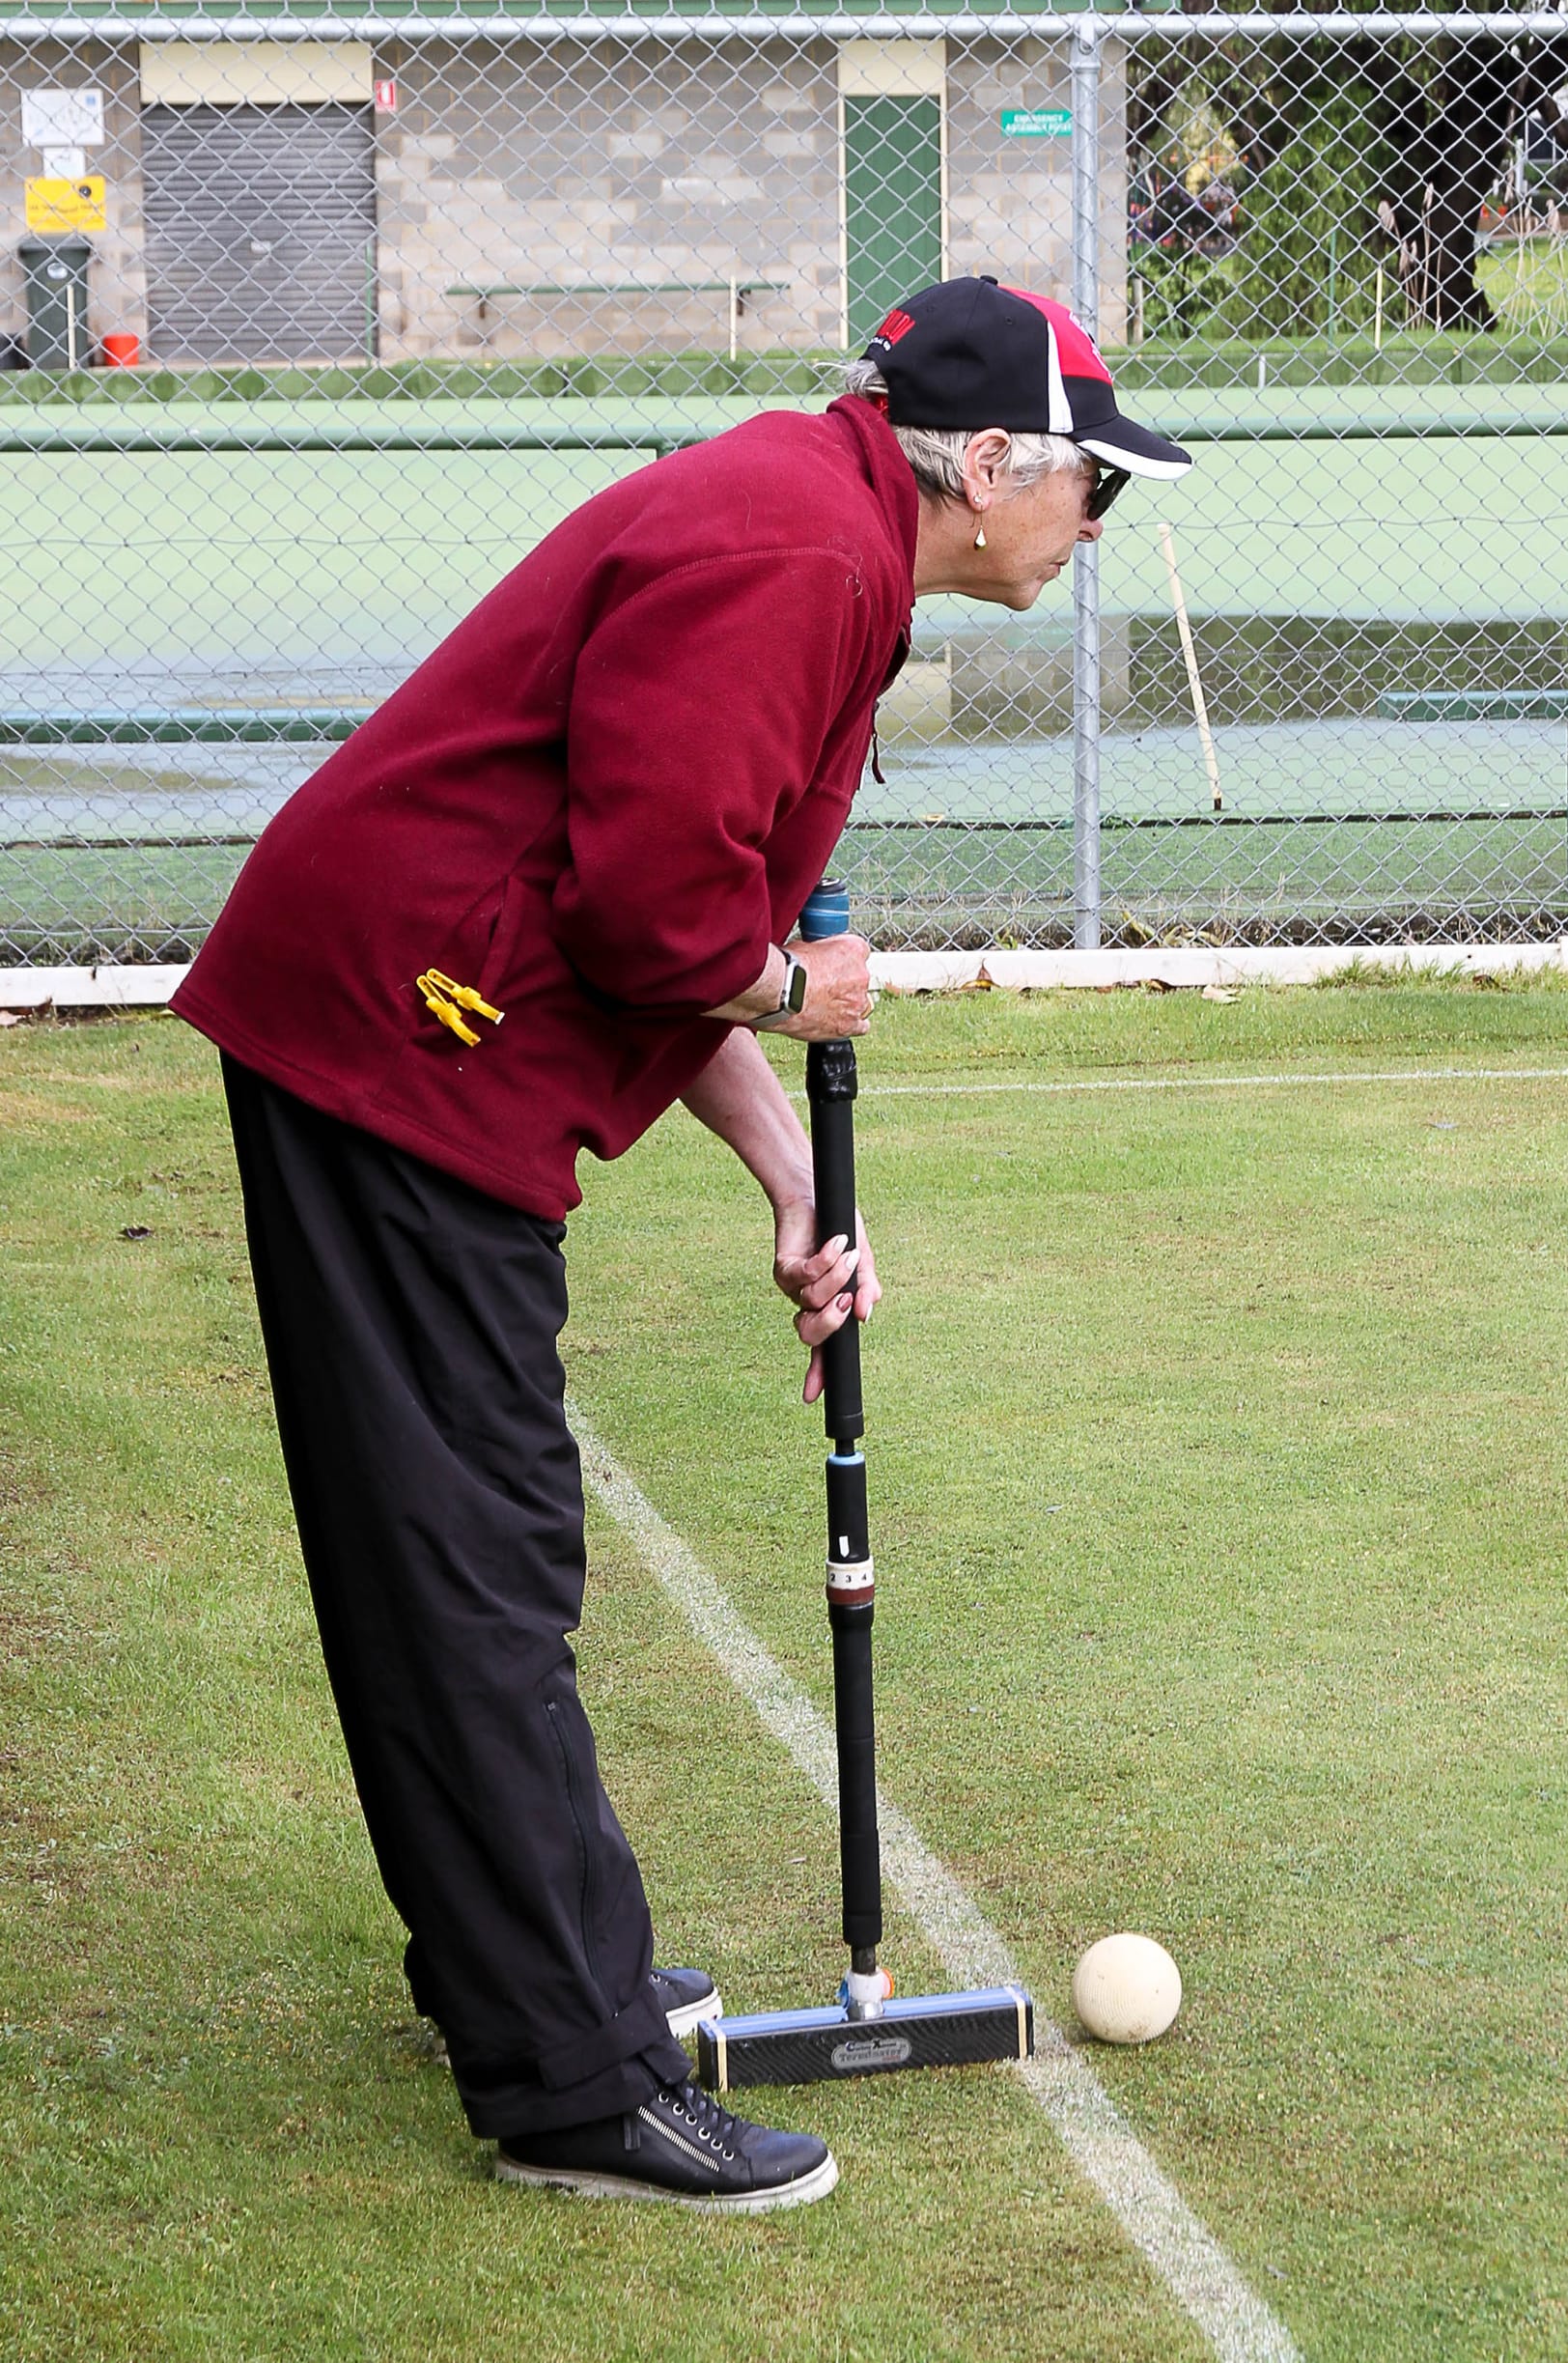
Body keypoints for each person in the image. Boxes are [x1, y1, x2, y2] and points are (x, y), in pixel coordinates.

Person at [171, 276, 1190, 2212]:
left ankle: (522, 1963)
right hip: (399, 1038)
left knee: (472, 1542)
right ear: (986, 467)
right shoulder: (794, 552)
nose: (1096, 522)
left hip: (406, 1030)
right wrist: (804, 983)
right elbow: (659, 921)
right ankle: (567, 2077)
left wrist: (789, 1177)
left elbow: (670, 897)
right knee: (473, 1555)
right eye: (1094, 486)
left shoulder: (816, 533)